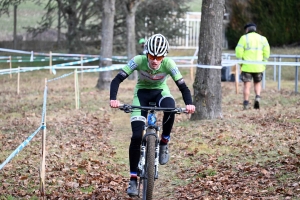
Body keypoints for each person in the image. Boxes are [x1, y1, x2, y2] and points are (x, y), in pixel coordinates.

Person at [109, 33, 195, 197]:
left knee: (171, 108)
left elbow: (183, 87)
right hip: (141, 94)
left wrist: (189, 103)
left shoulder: (169, 63)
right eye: (152, 56)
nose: (155, 60)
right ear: (147, 53)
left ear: (164, 56)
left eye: (159, 57)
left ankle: (164, 141)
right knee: (136, 136)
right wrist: (113, 99)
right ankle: (133, 179)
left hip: (161, 93)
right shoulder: (138, 60)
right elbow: (117, 79)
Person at [235, 23, 270, 110]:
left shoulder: (244, 38)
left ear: (247, 30)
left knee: (247, 85)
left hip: (247, 66)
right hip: (258, 66)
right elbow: (267, 51)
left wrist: (241, 62)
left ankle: (246, 103)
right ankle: (257, 97)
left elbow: (238, 52)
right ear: (255, 29)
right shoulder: (263, 38)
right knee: (257, 83)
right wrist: (264, 62)